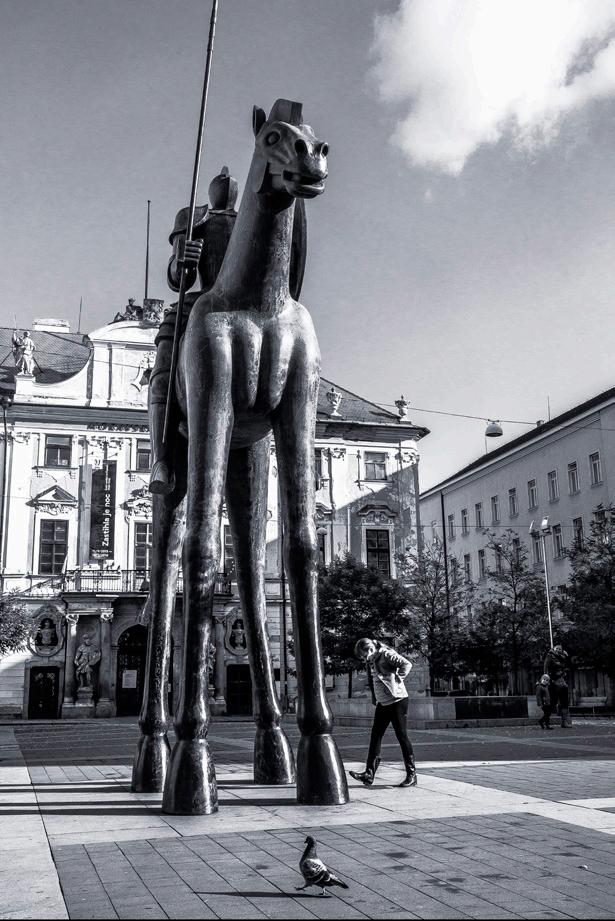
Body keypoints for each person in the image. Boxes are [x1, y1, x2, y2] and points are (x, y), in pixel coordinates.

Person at [348, 637, 417, 788]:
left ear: (370, 649)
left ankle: (412, 775)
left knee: (402, 736)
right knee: (376, 736)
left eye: (364, 655)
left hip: (397, 700)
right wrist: (375, 697)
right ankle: (369, 774)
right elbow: (373, 680)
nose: (364, 659)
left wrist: (396, 681)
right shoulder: (371, 660)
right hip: (383, 703)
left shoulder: (386, 654)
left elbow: (407, 664)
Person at [544, 644, 572, 728]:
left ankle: (564, 722)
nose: (559, 650)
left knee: (565, 702)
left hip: (562, 682)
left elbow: (570, 665)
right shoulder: (550, 656)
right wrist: (548, 681)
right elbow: (545, 669)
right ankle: (546, 721)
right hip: (553, 682)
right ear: (554, 649)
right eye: (558, 649)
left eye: (561, 649)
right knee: (552, 702)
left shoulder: (562, 657)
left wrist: (567, 656)